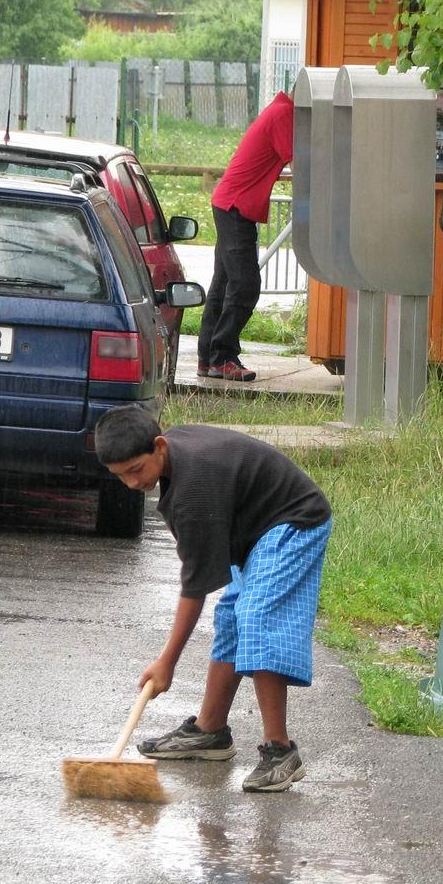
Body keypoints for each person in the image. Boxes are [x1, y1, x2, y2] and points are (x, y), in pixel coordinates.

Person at [94, 404, 332, 792]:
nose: (132, 484)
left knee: (256, 616)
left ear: (159, 446)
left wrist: (166, 662)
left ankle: (281, 751)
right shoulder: (175, 459)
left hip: (294, 520)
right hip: (255, 529)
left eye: (136, 470)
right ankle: (211, 730)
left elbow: (194, 589)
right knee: (232, 617)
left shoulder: (194, 489)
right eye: (120, 477)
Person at [199, 91, 294, 382]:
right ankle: (223, 356)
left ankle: (208, 358)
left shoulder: (277, 110)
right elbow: (300, 162)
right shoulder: (285, 115)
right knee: (245, 285)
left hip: (230, 203)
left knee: (223, 284)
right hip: (236, 207)